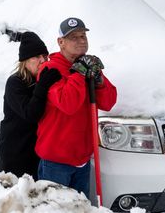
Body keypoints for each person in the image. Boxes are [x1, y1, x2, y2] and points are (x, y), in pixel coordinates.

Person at [35, 17, 117, 197]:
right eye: (74, 37)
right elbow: (68, 104)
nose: (81, 41)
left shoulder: (88, 66)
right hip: (56, 161)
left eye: (83, 36)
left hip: (82, 158)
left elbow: (108, 103)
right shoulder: (50, 69)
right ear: (61, 42)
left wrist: (99, 81)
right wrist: (79, 73)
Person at [0, 31, 62, 179]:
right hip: (15, 149)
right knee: (14, 194)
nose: (42, 60)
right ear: (25, 61)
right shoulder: (15, 82)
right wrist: (42, 86)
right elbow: (31, 113)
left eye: (44, 56)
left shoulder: (42, 80)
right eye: (36, 57)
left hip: (36, 149)